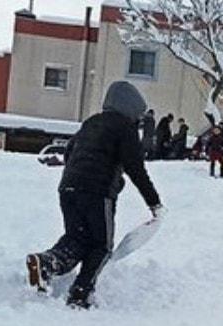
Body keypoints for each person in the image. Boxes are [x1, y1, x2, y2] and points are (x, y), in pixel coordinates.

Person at [24, 81, 163, 309]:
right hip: (97, 193)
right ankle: (80, 294)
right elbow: (135, 168)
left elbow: (70, 152)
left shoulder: (91, 123)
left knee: (76, 238)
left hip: (68, 188)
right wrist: (154, 202)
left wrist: (85, 178)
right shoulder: (124, 128)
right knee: (101, 245)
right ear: (130, 108)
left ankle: (47, 263)